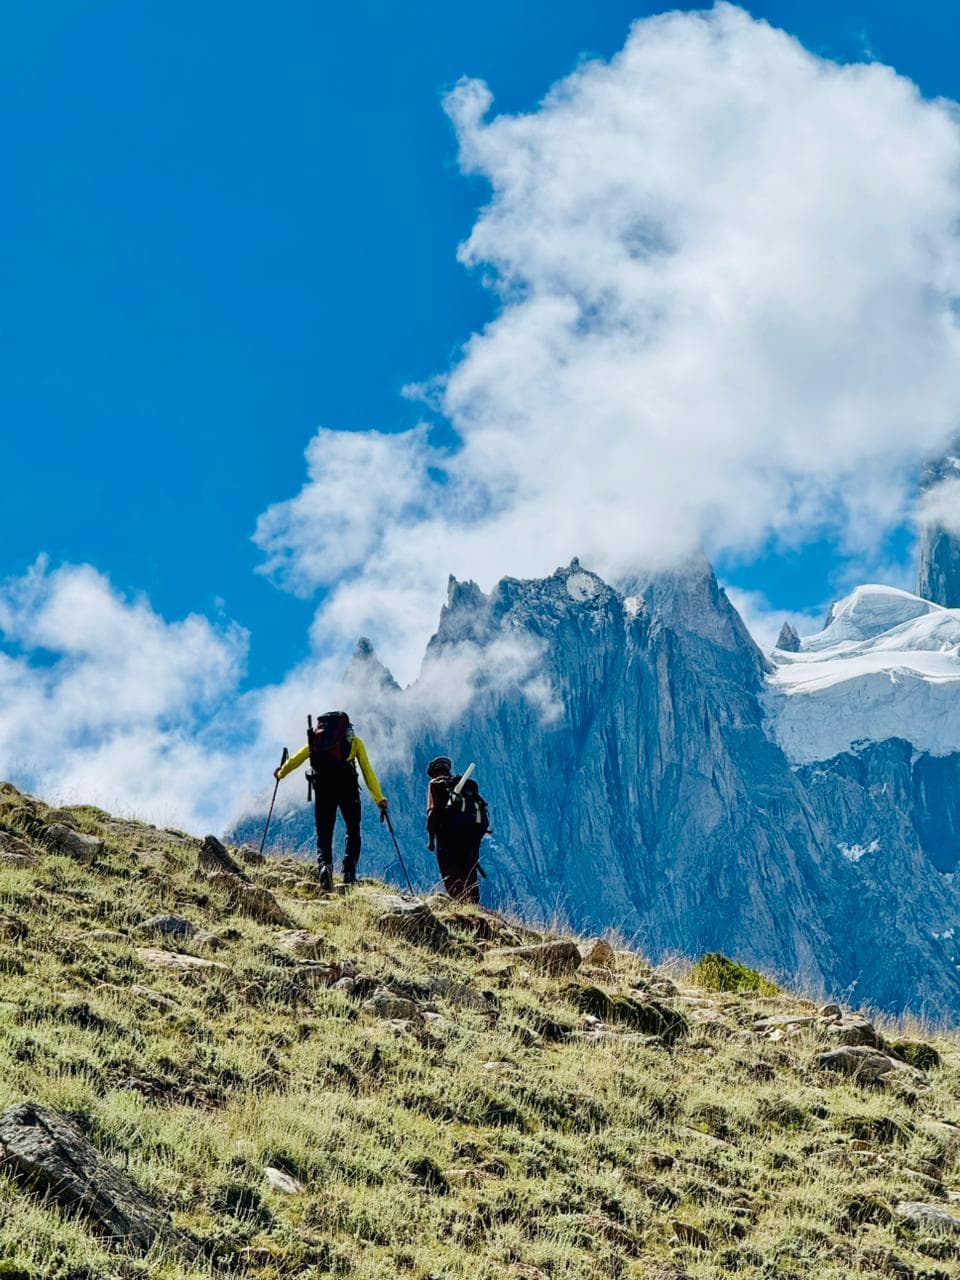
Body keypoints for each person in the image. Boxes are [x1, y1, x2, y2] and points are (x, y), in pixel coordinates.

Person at [275, 711, 387, 892]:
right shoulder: (354, 742)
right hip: (347, 786)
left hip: (323, 786)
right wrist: (379, 798)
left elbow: (296, 759)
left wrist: (281, 773)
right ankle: (349, 872)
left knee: (324, 830)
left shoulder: (317, 742)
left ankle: (325, 866)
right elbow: (367, 771)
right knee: (353, 828)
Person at [425, 756, 489, 904]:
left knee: (451, 871)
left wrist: (431, 839)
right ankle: (473, 907)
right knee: (469, 871)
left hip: (448, 837)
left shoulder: (435, 784)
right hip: (472, 835)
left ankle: (460, 905)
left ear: (434, 772)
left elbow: (432, 812)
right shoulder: (466, 786)